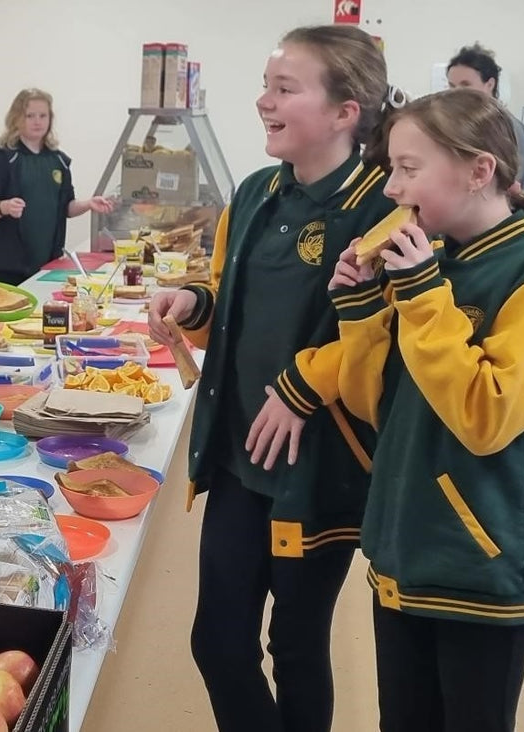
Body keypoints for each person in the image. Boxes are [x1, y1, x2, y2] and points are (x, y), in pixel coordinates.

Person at [147, 25, 399, 732]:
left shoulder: (381, 209)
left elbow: (381, 341)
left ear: (345, 111)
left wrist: (300, 387)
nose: (262, 101)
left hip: (321, 469)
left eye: (284, 89)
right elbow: (227, 302)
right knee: (217, 642)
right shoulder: (257, 192)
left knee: (293, 644)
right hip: (237, 456)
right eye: (266, 85)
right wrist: (192, 303)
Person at [329, 88, 524, 732]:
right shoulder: (434, 264)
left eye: (409, 169)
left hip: (483, 564)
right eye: (392, 168)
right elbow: (374, 408)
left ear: (479, 171)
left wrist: (421, 297)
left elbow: (484, 417)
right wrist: (363, 313)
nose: (391, 189)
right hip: (406, 550)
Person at [0, 88, 113, 286]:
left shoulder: (58, 160)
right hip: (6, 267)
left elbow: (66, 207)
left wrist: (89, 204)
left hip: (47, 263)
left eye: (43, 115)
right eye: (30, 116)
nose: (37, 121)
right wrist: (3, 207)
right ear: (16, 118)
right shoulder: (3, 159)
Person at [446, 44, 524, 191]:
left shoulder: (500, 124)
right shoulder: (465, 120)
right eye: (452, 86)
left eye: (465, 85)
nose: (456, 93)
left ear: (490, 84)